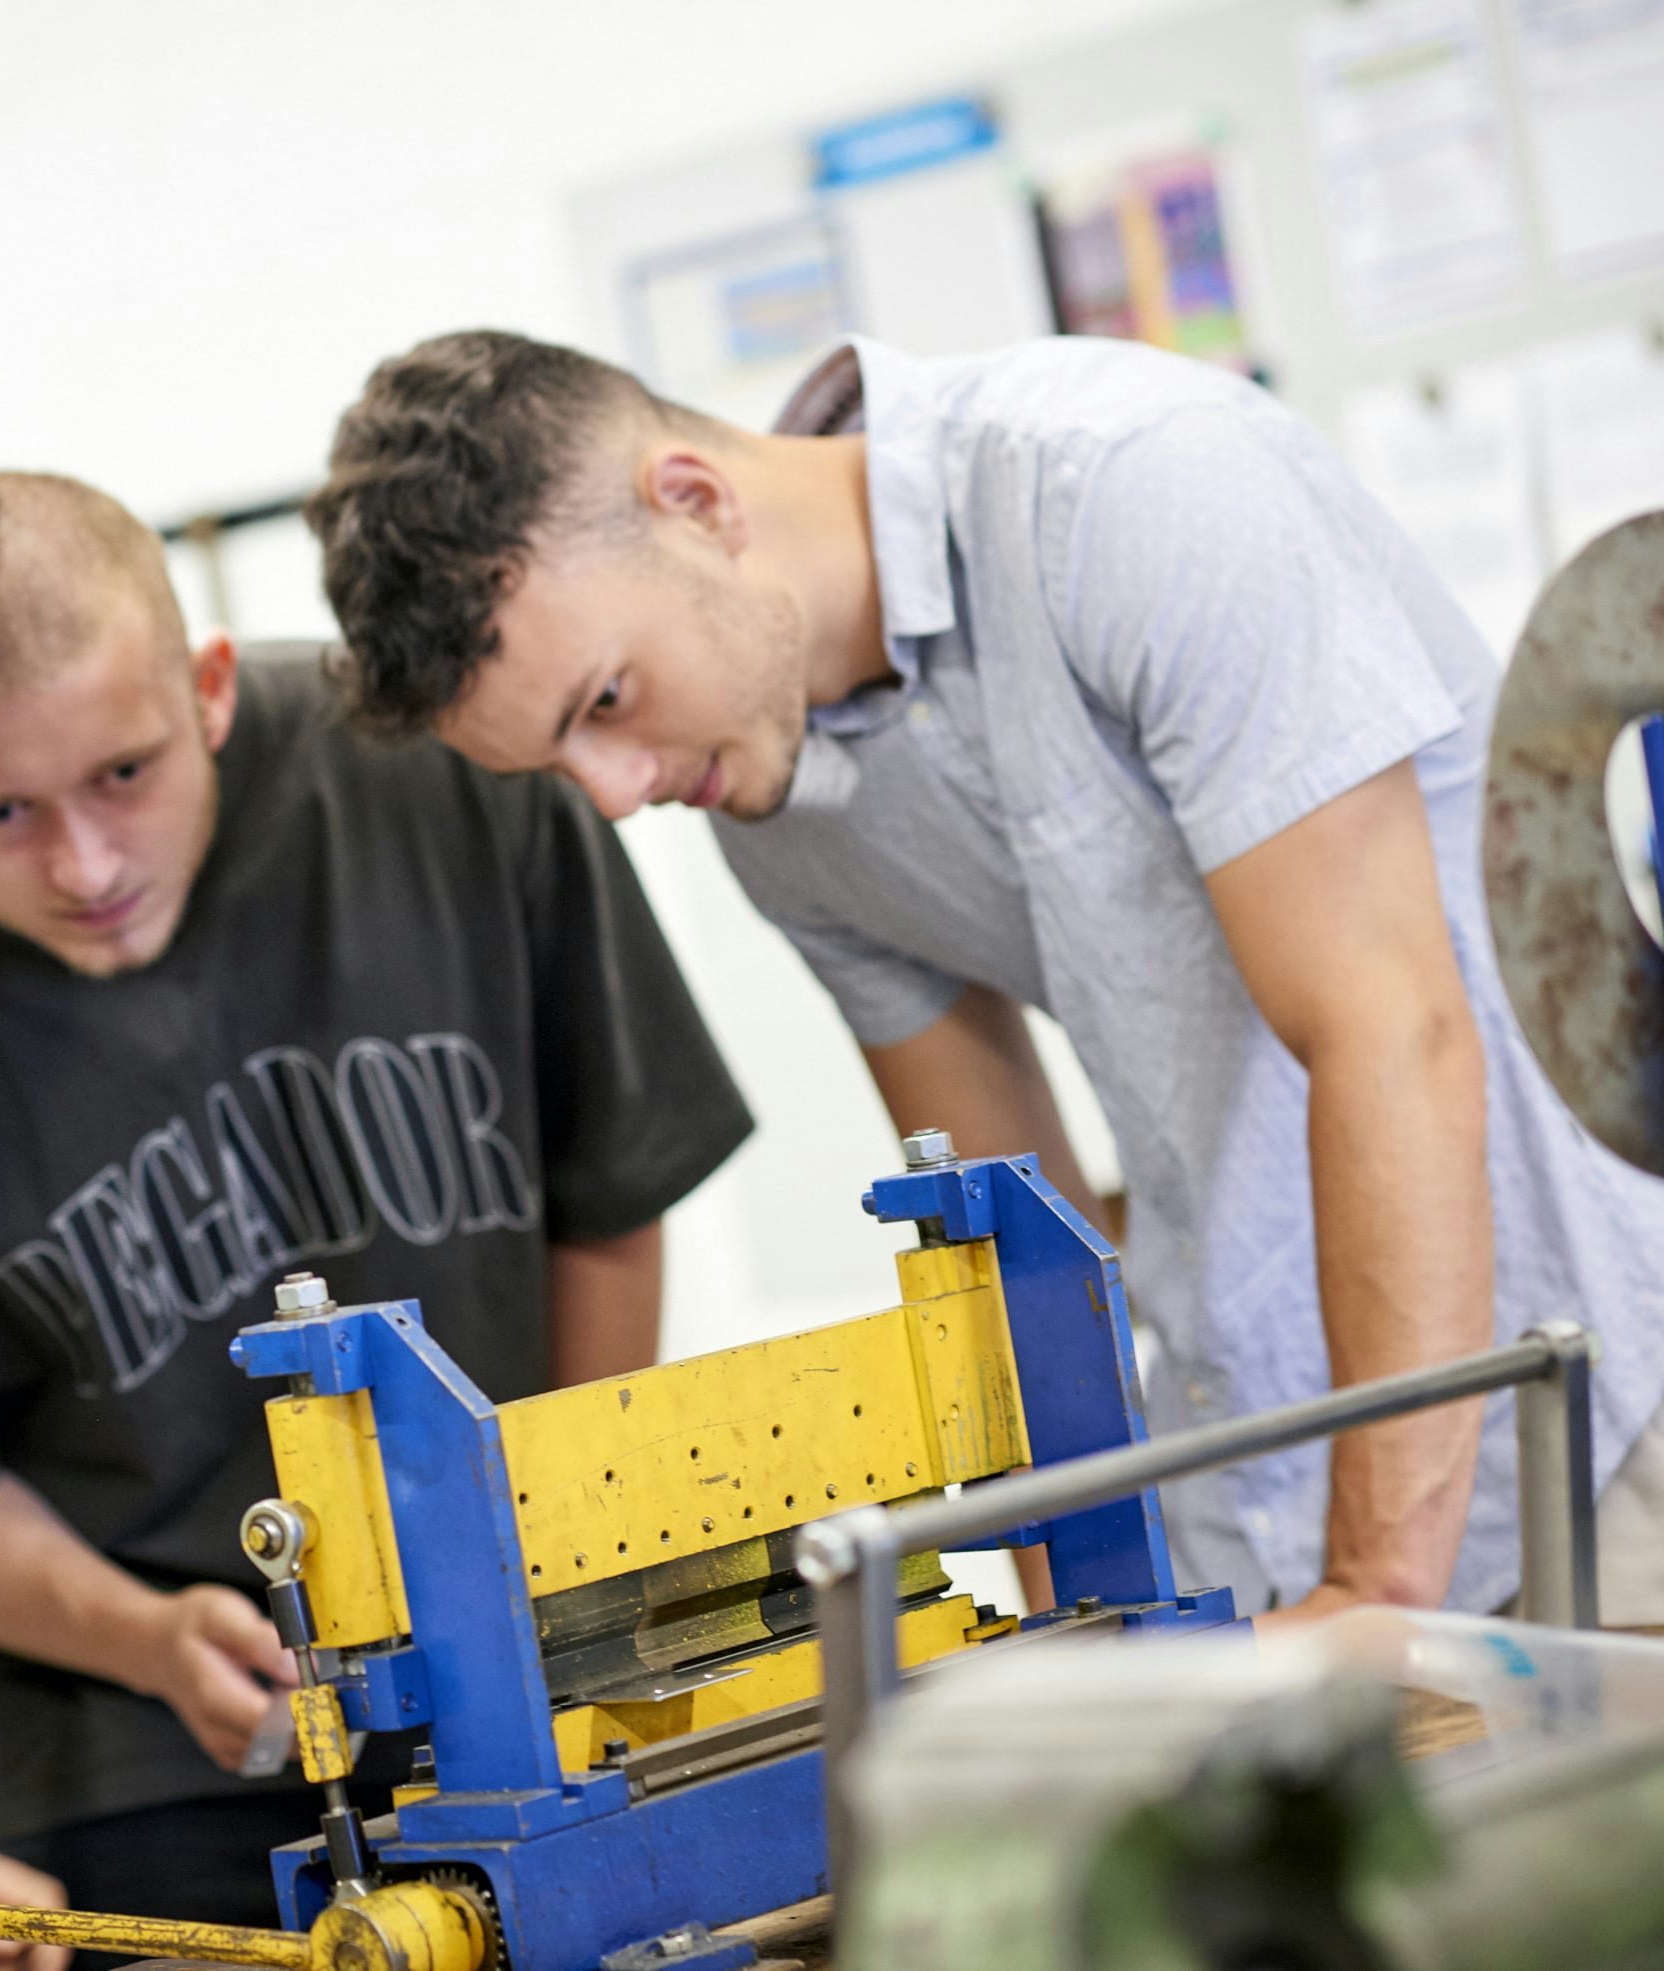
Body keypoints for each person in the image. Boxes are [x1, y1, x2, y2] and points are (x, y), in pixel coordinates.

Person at [303, 328, 1664, 1626]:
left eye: (603, 701)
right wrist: (1072, 1604)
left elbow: (1393, 1031)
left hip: (1589, 1396)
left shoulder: (1132, 490)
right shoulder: (774, 805)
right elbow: (1010, 1222)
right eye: (552, 766)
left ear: (696, 499)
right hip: (1255, 1476)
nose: (611, 796)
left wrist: (1377, 1589)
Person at [0, 472, 751, 1931]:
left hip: (526, 1643)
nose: (84, 863)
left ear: (208, 688)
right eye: (2, 811)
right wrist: (143, 1637)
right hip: (128, 1740)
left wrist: (555, 1556)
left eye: (124, 776)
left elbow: (607, 1188)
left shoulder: (442, 766)